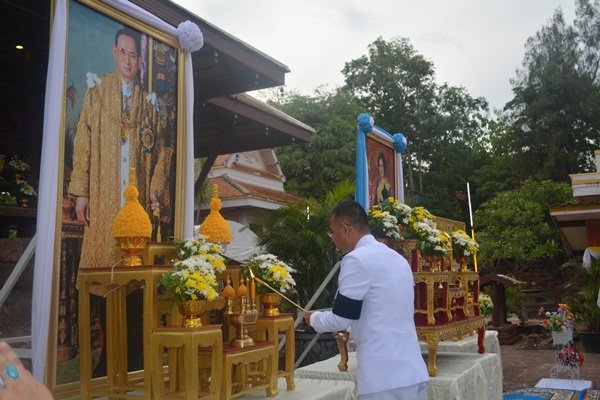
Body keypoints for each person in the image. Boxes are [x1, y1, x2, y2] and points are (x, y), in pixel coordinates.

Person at [304, 200, 429, 399]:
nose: (333, 239)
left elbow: (340, 318)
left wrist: (313, 318)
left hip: (383, 376)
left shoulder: (357, 259)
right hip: (412, 370)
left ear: (345, 229)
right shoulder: (397, 259)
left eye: (332, 232)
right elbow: (382, 311)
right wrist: (351, 328)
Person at [69, 27, 171, 268]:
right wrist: (82, 194)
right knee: (103, 257)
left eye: (133, 55)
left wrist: (156, 191)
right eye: (123, 52)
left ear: (139, 60)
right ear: (115, 52)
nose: (127, 60)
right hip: (103, 194)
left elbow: (160, 154)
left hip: (137, 199)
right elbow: (83, 143)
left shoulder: (149, 104)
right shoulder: (97, 92)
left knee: (135, 264)